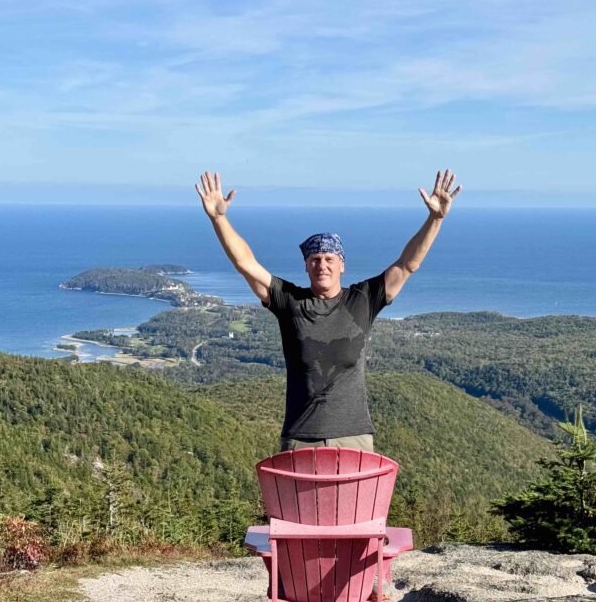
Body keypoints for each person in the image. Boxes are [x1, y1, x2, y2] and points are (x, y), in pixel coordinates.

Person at [196, 170, 461, 453]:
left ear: (341, 265)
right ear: (306, 266)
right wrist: (219, 218)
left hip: (354, 438)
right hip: (300, 438)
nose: (322, 265)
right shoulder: (290, 302)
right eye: (314, 259)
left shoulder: (363, 299)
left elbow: (408, 264)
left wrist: (436, 219)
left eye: (329, 258)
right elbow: (246, 263)